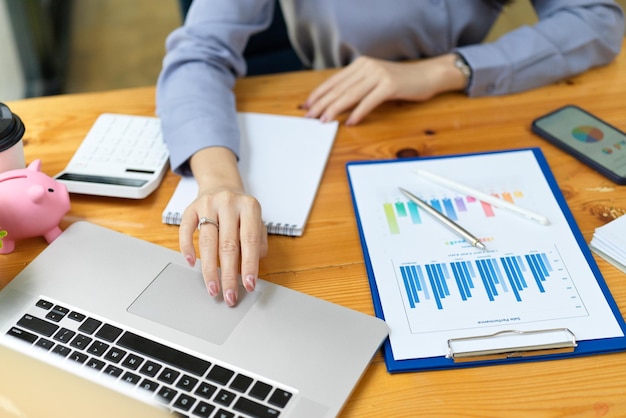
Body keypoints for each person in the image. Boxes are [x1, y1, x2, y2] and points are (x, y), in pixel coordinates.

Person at [156, 0, 625, 307]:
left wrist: (447, 69)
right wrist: (219, 182)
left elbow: (596, 19)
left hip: (457, 115)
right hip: (333, 116)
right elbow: (198, 52)